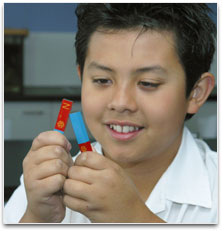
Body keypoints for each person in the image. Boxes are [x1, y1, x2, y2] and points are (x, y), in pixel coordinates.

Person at [4, 3, 217, 224]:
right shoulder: (48, 182)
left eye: (148, 83)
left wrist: (135, 218)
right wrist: (36, 218)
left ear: (196, 93)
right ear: (82, 78)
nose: (121, 103)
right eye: (102, 80)